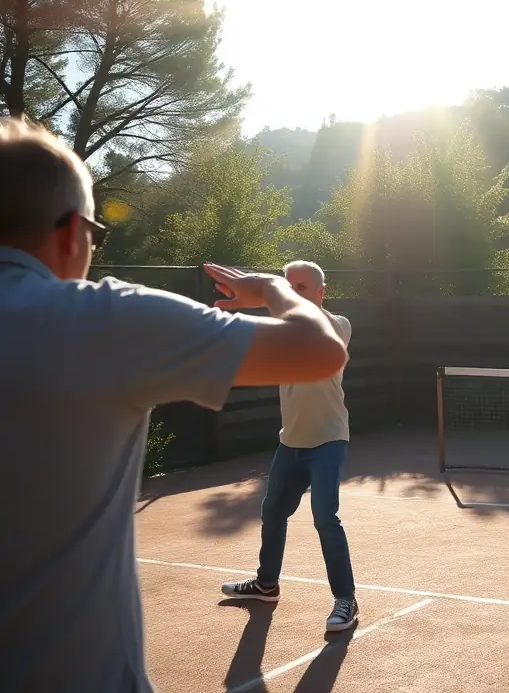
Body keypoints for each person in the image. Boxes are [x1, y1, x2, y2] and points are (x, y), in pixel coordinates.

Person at [0, 118, 349, 693]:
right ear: (69, 232)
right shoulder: (105, 319)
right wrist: (271, 291)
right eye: (95, 231)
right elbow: (319, 350)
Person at [220, 261, 359, 634]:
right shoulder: (282, 332)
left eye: (302, 286)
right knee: (272, 512)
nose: (294, 293)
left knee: (325, 518)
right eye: (288, 286)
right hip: (291, 442)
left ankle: (346, 599)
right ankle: (267, 584)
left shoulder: (338, 325)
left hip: (329, 440)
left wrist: (269, 290)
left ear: (321, 291)